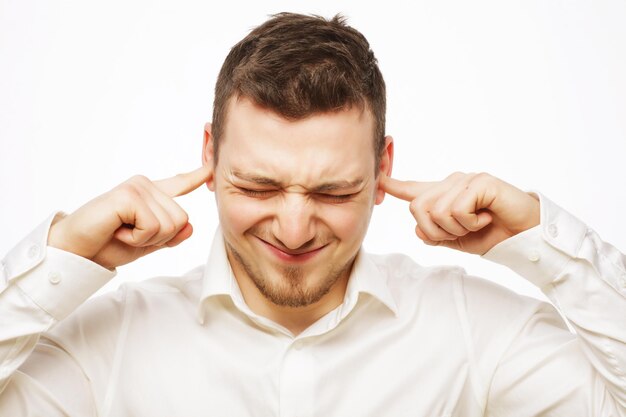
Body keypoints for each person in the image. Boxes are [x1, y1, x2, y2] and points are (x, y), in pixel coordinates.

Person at [0, 12, 624, 416]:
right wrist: (61, 258)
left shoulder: (472, 328)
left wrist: (539, 242)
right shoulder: (107, 343)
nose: (294, 230)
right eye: (258, 186)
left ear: (382, 171)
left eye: (333, 193)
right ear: (210, 156)